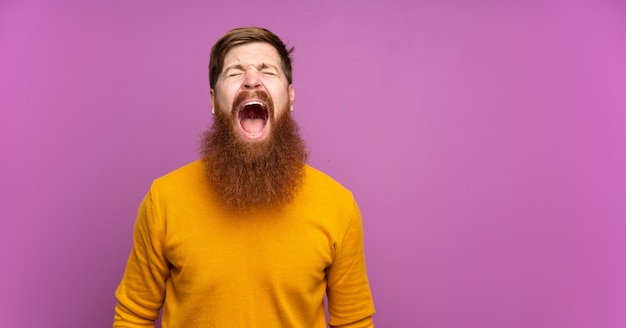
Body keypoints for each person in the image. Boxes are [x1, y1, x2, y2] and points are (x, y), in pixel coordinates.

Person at [113, 27, 375, 327]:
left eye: (267, 70)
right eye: (235, 72)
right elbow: (133, 317)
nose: (252, 79)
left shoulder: (337, 205)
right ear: (213, 99)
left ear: (290, 96)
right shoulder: (164, 199)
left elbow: (354, 323)